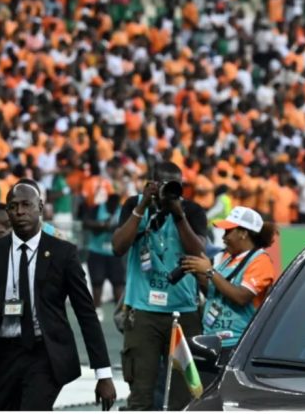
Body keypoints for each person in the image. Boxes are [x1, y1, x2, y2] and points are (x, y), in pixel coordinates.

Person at [0, 182, 116, 410]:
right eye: (13, 206)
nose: (20, 211)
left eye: (26, 204)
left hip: (44, 353)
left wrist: (103, 374)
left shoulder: (63, 253)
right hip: (2, 354)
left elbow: (86, 313)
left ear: (41, 207)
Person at [111, 161, 208, 410]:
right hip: (143, 312)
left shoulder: (192, 211)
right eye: (164, 184)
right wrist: (143, 204)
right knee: (141, 391)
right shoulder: (135, 205)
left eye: (176, 184)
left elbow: (199, 252)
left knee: (182, 394)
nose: (170, 190)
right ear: (151, 183)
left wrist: (178, 214)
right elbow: (118, 247)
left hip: (184, 311)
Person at [181, 206, 279, 355]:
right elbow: (215, 293)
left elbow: (241, 297)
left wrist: (210, 271)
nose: (223, 237)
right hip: (213, 340)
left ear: (243, 233)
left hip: (238, 343)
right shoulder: (228, 258)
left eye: (228, 231)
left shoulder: (260, 260)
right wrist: (198, 272)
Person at [83, 193, 124, 322]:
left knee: (118, 283)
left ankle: (119, 311)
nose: (115, 204)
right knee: (97, 282)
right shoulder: (97, 208)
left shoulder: (122, 210)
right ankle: (97, 309)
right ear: (108, 200)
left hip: (115, 252)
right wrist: (102, 225)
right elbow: (86, 222)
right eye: (113, 201)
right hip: (97, 251)